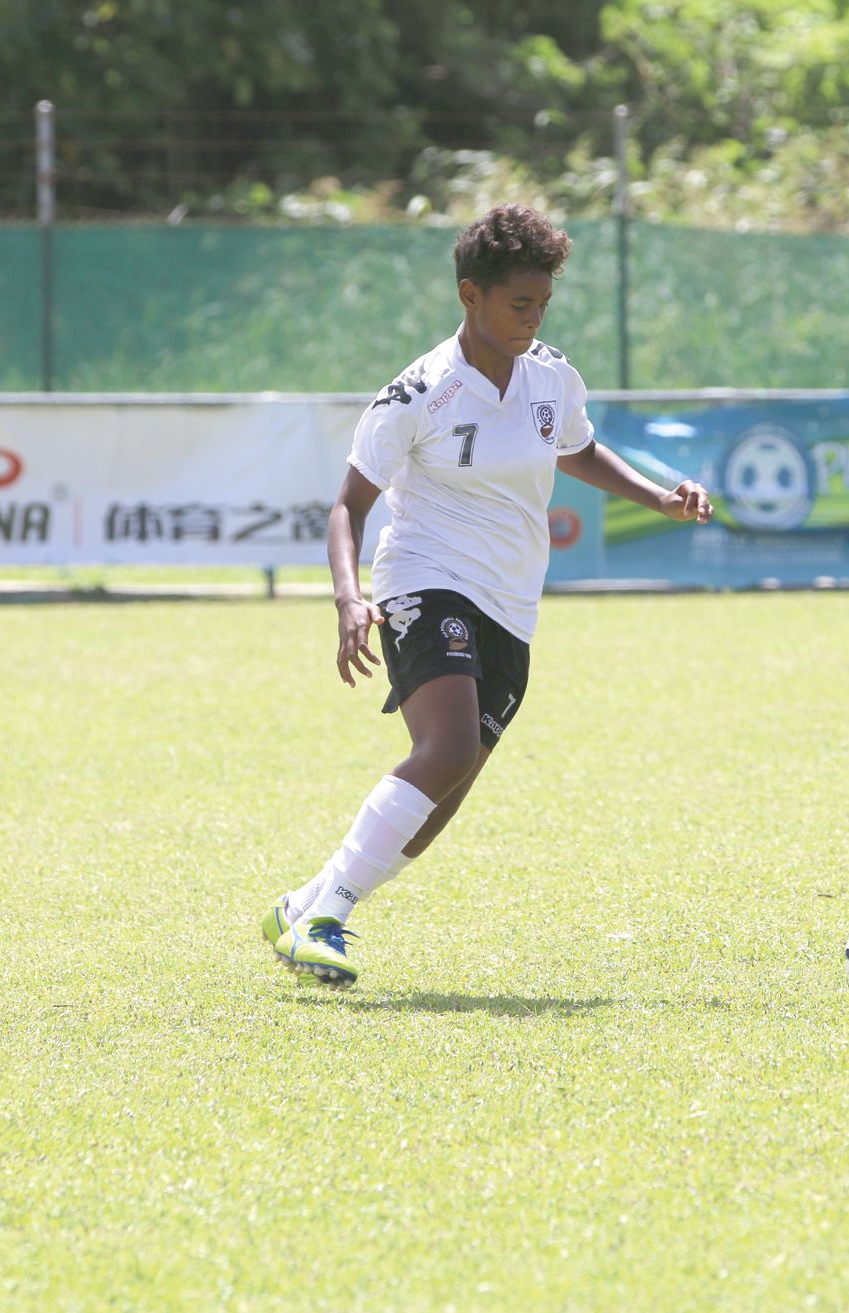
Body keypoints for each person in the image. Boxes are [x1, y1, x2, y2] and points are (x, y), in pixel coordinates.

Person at [260, 204, 712, 985]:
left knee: (443, 797)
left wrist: (659, 498)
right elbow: (347, 505)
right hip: (425, 578)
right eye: (518, 303)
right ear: (470, 295)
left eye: (542, 303)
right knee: (449, 747)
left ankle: (299, 904)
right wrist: (347, 597)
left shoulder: (549, 374)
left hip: (511, 601)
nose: (532, 319)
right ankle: (327, 916)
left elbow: (578, 448)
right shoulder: (418, 392)